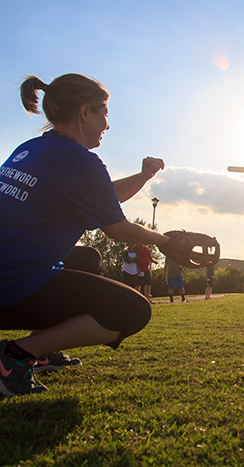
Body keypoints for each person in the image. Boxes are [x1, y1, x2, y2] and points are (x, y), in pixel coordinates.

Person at [0, 73, 187, 397]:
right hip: (8, 287)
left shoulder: (32, 149)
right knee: (133, 310)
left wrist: (144, 175)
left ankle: (41, 352)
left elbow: (103, 195)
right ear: (85, 112)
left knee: (87, 257)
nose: (107, 125)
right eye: (104, 114)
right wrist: (169, 243)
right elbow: (118, 228)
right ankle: (14, 357)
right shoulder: (79, 160)